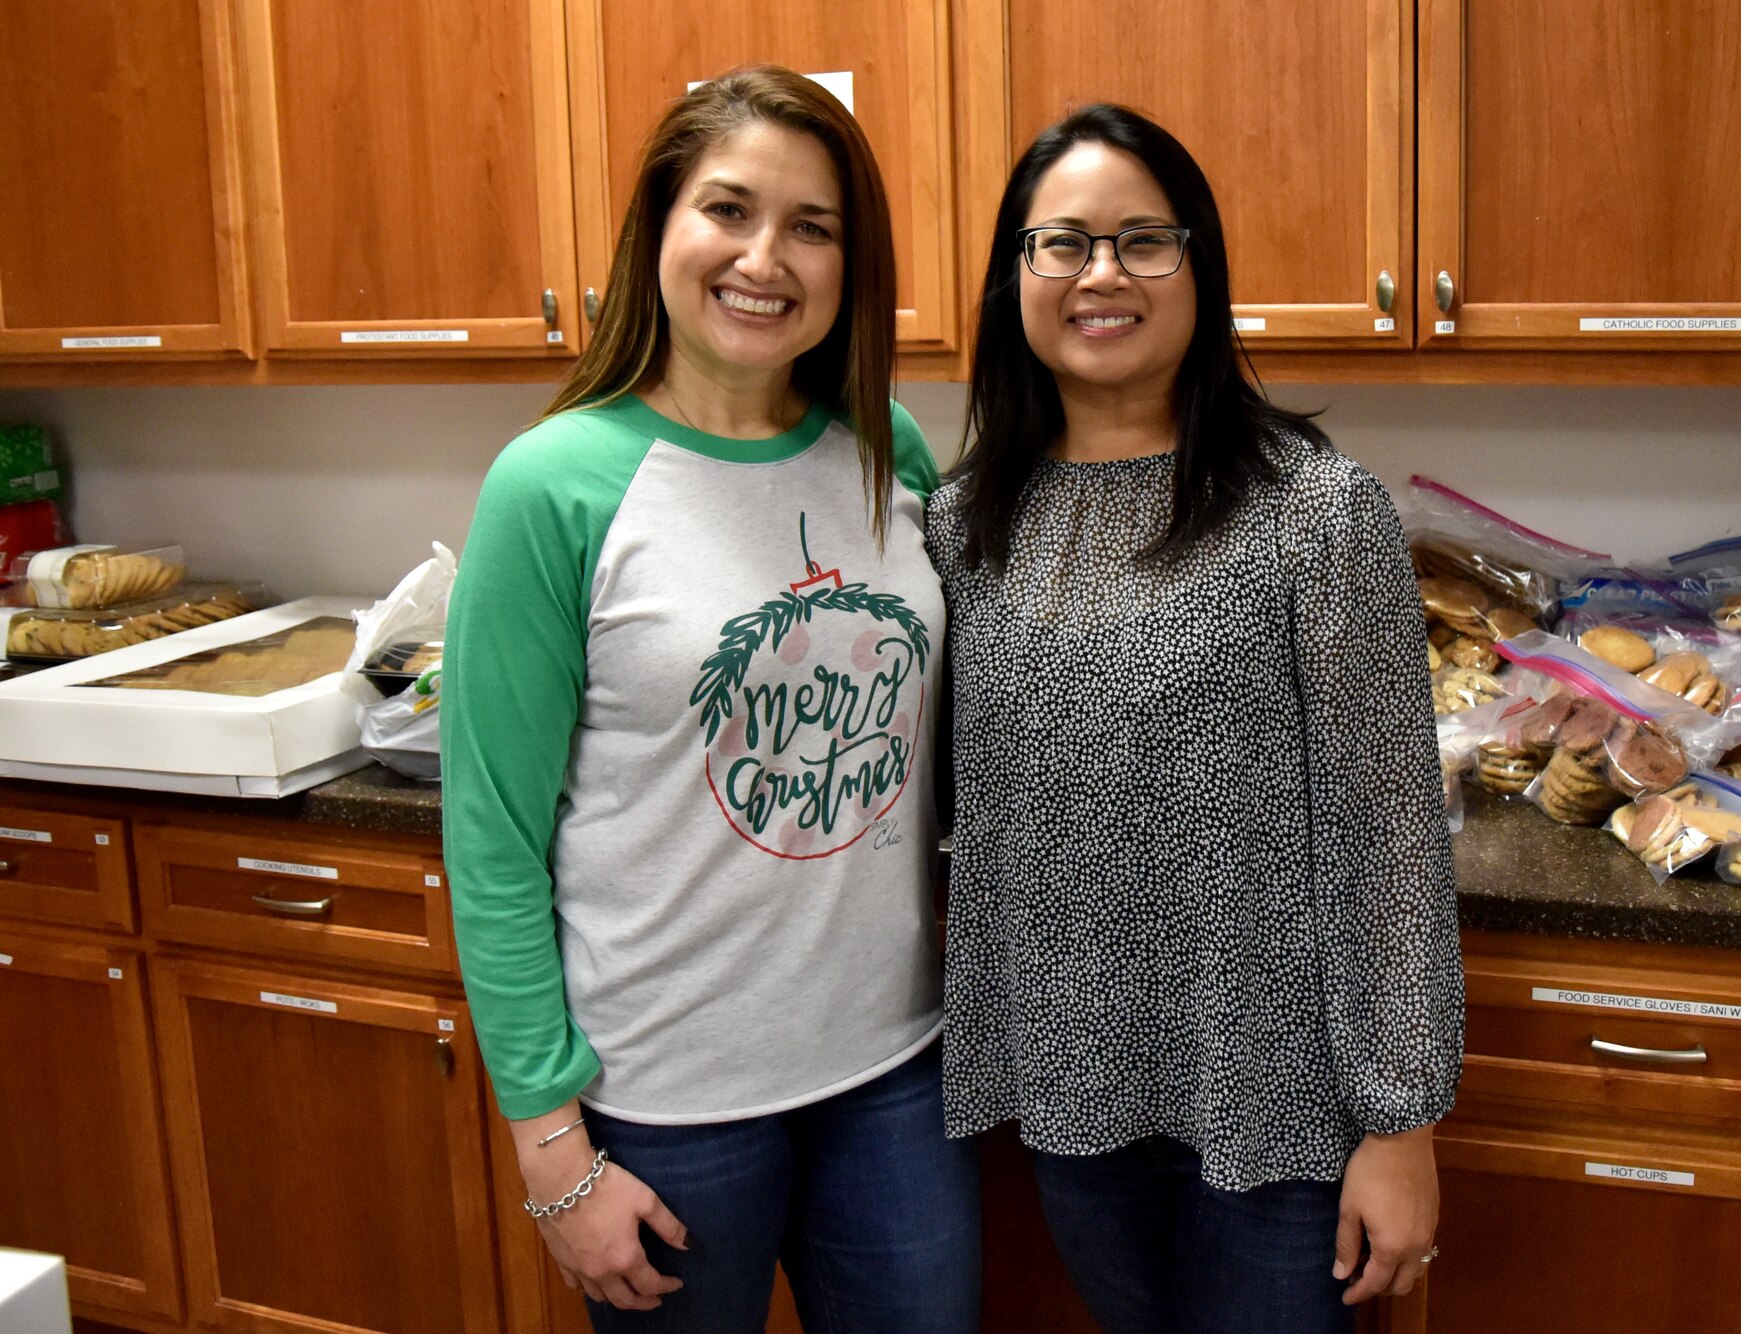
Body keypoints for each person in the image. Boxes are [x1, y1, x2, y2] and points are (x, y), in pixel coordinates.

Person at [442, 66, 979, 1334]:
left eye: (812, 225)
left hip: (893, 1068)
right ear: (659, 231)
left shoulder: (883, 447)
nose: (764, 256)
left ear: (854, 263)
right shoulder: (554, 486)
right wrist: (550, 1146)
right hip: (664, 1099)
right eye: (727, 210)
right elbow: (494, 838)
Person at [926, 103, 1464, 1334]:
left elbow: (1386, 836)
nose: (1100, 273)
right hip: (1069, 1088)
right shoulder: (962, 526)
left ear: (1197, 265)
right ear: (1015, 274)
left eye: (1141, 240)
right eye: (1059, 242)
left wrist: (1399, 1119)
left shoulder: (1314, 515)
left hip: (1278, 1106)